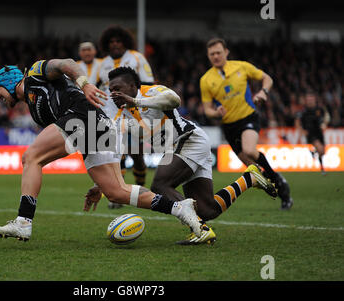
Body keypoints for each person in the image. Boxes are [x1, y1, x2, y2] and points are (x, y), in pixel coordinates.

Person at [0, 59, 208, 242]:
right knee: (116, 192)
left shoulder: (35, 74)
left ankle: (23, 221)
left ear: (8, 82)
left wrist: (84, 84)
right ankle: (180, 208)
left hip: (83, 116)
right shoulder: (34, 108)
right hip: (96, 124)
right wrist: (97, 184)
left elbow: (67, 64)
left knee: (31, 157)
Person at [84, 67, 277, 245]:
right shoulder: (120, 115)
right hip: (178, 150)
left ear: (133, 86)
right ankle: (249, 178)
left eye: (118, 88)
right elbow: (117, 151)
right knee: (207, 209)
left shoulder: (150, 92)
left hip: (189, 140)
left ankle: (200, 230)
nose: (113, 93)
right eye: (111, 89)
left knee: (160, 185)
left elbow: (174, 100)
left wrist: (135, 100)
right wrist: (100, 185)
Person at [200, 38, 293, 210]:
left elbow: (267, 78)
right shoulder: (206, 80)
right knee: (254, 170)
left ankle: (280, 183)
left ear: (226, 52)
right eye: (212, 54)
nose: (216, 56)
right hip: (229, 126)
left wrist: (263, 92)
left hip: (248, 117)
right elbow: (207, 109)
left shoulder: (241, 67)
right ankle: (281, 187)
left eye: (219, 52)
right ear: (208, 56)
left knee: (250, 150)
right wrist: (216, 112)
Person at [98, 25, 154, 209]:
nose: (115, 45)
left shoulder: (136, 57)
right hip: (111, 113)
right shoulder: (103, 63)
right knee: (116, 151)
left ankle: (141, 187)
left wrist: (137, 102)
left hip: (134, 110)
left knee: (136, 153)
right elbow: (98, 86)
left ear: (125, 42)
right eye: (111, 42)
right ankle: (118, 194)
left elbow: (147, 82)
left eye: (118, 41)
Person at [295, 90, 330, 175]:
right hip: (311, 134)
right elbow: (297, 122)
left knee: (323, 152)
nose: (310, 101)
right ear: (306, 101)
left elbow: (326, 116)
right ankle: (316, 154)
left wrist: (325, 123)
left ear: (314, 100)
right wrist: (302, 131)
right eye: (308, 100)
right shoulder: (303, 112)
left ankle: (321, 167)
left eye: (311, 99)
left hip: (319, 132)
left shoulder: (320, 109)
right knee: (320, 148)